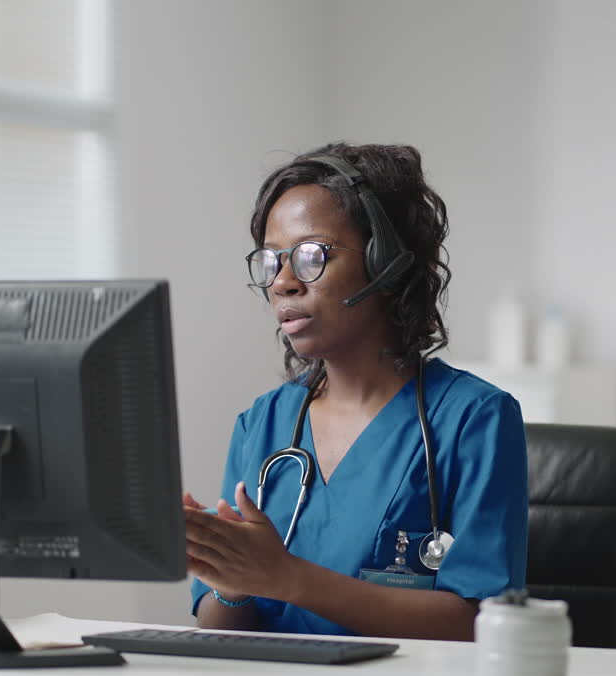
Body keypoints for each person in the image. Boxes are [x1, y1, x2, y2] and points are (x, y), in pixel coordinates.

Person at [182, 143, 528, 641]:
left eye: (309, 257)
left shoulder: (475, 420)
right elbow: (219, 628)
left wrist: (286, 578)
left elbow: (479, 624)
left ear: (383, 261)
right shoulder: (262, 424)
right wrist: (230, 580)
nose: (281, 283)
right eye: (270, 261)